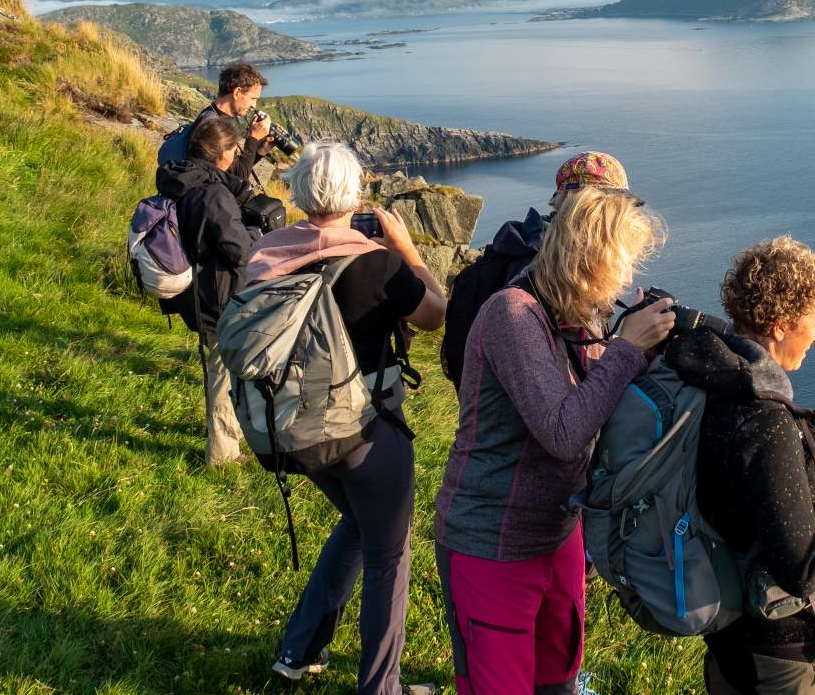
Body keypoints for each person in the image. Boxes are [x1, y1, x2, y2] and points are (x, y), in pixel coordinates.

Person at [434, 188, 675, 695]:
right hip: (492, 543)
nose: (627, 277)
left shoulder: (576, 316)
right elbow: (564, 432)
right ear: (585, 254)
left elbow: (600, 407)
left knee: (559, 683)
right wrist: (627, 351)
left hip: (558, 534)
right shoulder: (513, 315)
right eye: (621, 262)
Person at [251, 141, 447, 695]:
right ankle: (381, 688)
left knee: (360, 526)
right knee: (389, 554)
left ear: (297, 190)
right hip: (364, 431)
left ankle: (299, 650)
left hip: (292, 426)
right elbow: (437, 315)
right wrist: (407, 251)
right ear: (356, 195)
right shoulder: (377, 264)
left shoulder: (265, 254)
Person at [667, 236, 815, 695]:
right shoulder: (764, 419)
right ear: (782, 325)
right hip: (781, 658)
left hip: (729, 639)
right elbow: (802, 569)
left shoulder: (708, 377)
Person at [441, 151, 633, 390]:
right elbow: (562, 406)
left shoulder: (523, 250)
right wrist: (628, 348)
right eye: (613, 211)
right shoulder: (547, 275)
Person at [154, 115, 259, 466]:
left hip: (199, 290)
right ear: (222, 154)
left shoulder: (181, 180)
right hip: (220, 294)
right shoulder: (212, 193)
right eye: (234, 149)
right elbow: (237, 250)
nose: (236, 154)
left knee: (224, 367)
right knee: (222, 372)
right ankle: (223, 455)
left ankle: (233, 434)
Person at [196, 61, 280, 199]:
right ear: (237, 92)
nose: (254, 105)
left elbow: (234, 168)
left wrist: (261, 149)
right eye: (253, 98)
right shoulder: (213, 126)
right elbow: (239, 178)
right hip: (211, 203)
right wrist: (253, 138)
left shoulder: (215, 116)